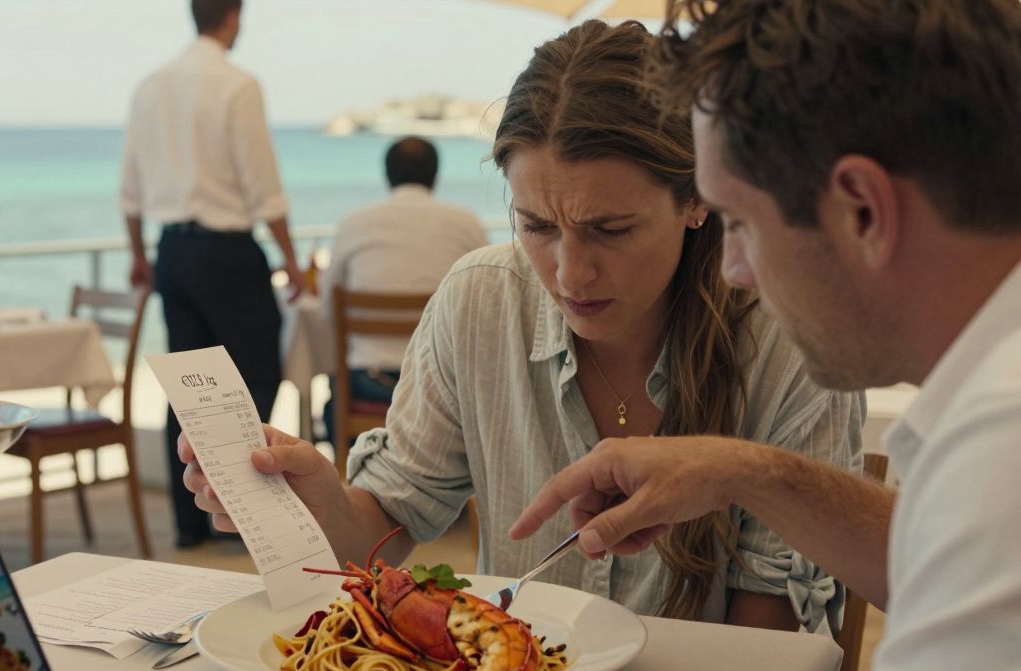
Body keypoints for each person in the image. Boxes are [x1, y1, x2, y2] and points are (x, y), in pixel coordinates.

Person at [182, 20, 865, 632]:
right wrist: (316, 505)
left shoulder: (787, 339)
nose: (570, 275)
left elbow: (764, 646)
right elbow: (382, 528)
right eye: (536, 226)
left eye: (611, 229)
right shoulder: (480, 302)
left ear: (695, 199)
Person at [509, 1, 1021, 671]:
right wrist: (745, 472)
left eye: (740, 224)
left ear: (863, 210)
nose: (736, 272)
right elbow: (949, 555)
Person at [119, 0, 305, 547]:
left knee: (186, 391)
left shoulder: (150, 86)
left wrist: (138, 255)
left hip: (172, 252)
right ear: (233, 17)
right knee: (253, 381)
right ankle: (235, 516)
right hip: (227, 253)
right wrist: (292, 259)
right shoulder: (237, 84)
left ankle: (189, 523)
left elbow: (130, 185)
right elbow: (262, 183)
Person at [318, 136, 488, 447]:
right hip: (441, 383)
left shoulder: (354, 223)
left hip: (367, 383)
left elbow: (328, 305)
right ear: (436, 175)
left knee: (331, 397)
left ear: (387, 175)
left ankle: (349, 475)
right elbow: (486, 302)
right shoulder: (466, 224)